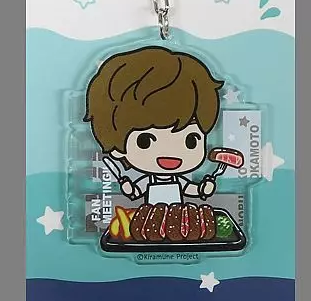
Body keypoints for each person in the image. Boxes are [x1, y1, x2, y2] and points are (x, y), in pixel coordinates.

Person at [84, 46, 224, 205]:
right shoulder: (148, 181)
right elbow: (137, 192)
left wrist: (202, 189)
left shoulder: (179, 181)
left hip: (180, 217)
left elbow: (190, 189)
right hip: (148, 217)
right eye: (145, 141)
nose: (170, 153)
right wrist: (129, 188)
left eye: (191, 140)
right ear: (117, 149)